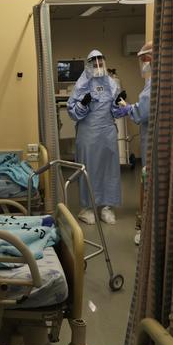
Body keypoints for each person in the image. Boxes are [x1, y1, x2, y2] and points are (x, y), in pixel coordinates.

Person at [67, 50, 130, 225]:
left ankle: (106, 207)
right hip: (88, 134)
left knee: (109, 170)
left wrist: (118, 102)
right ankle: (86, 208)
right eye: (93, 63)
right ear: (88, 64)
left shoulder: (111, 83)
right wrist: (83, 103)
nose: (97, 65)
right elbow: (73, 113)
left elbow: (116, 112)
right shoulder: (81, 85)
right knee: (88, 170)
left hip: (107, 133)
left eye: (100, 62)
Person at [115, 41, 153, 244]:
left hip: (155, 143)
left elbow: (143, 112)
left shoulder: (156, 81)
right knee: (146, 180)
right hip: (152, 139)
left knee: (148, 182)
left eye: (144, 59)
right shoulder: (155, 80)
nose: (143, 63)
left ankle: (146, 227)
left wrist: (129, 109)